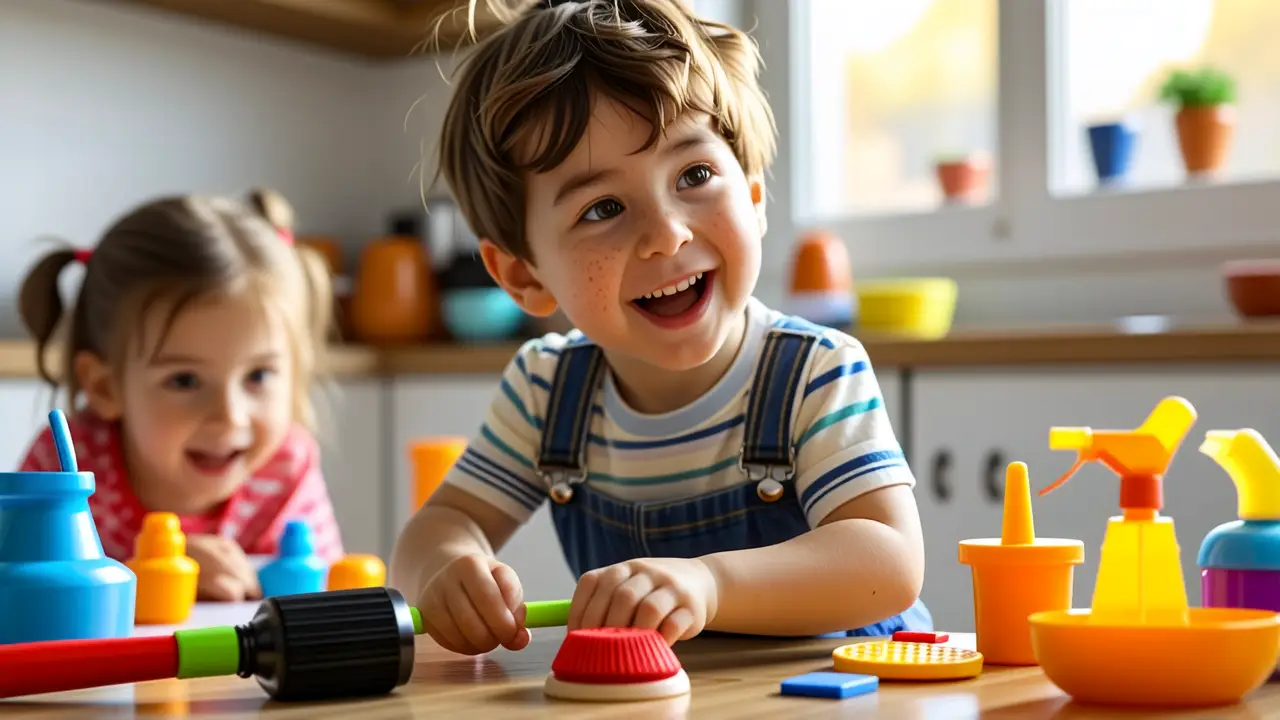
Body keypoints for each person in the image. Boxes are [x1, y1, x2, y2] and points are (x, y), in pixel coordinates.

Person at [390, 0, 931, 656]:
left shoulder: (815, 370)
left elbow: (889, 563)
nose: (666, 233)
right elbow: (441, 524)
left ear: (754, 196)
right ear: (522, 275)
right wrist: (447, 571)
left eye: (695, 175)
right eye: (604, 208)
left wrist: (710, 582)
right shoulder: (547, 391)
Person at [17, 189, 345, 602]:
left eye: (258, 375)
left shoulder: (284, 467)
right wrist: (150, 577)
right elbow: (17, 595)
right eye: (185, 380)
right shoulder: (66, 465)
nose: (230, 417)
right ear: (104, 386)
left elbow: (319, 603)